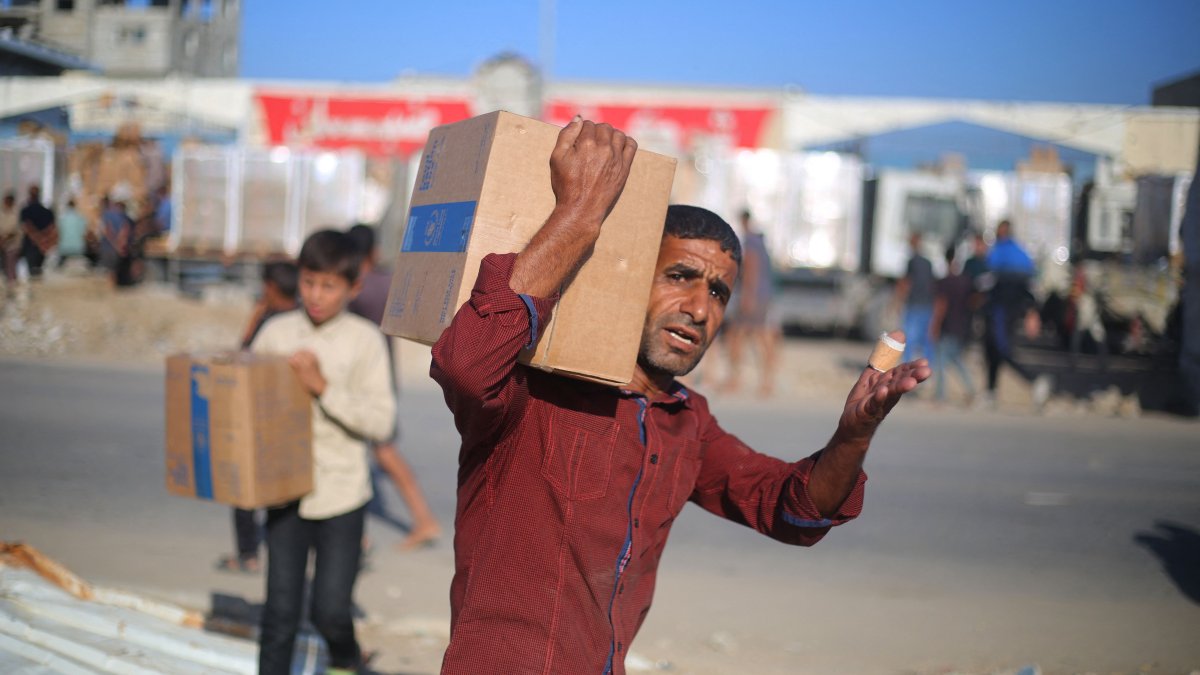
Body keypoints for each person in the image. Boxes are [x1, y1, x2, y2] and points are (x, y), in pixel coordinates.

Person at [430, 117, 929, 674]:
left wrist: (853, 435)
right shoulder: (533, 391)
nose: (700, 308)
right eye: (680, 276)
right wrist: (578, 215)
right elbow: (465, 364)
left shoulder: (685, 421)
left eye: (718, 291)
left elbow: (793, 509)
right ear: (630, 279)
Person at [251, 230, 396, 675]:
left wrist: (322, 388)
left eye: (329, 285)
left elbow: (381, 422)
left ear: (353, 288)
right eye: (309, 281)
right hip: (285, 493)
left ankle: (348, 665)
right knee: (279, 614)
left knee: (331, 611)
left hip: (341, 495)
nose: (315, 295)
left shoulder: (365, 340)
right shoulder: (276, 333)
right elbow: (243, 408)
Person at [345, 223, 442, 551]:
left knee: (381, 451)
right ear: (373, 251)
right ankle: (357, 532)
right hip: (384, 378)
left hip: (361, 383)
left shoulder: (356, 288)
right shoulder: (388, 284)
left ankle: (423, 520)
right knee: (369, 451)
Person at [214, 260, 300, 575]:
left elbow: (245, 351)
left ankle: (248, 554)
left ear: (271, 288)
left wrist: (255, 315)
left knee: (245, 488)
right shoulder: (300, 319)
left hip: (259, 416)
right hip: (287, 418)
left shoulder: (270, 322)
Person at [980, 220, 1052, 410]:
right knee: (993, 350)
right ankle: (990, 392)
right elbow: (1030, 287)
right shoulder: (1021, 254)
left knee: (1001, 349)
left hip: (1000, 310)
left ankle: (1034, 379)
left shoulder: (1000, 252)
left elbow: (987, 279)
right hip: (1009, 310)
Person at [719, 209, 780, 397]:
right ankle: (765, 382)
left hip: (753, 297)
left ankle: (737, 379)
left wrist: (747, 297)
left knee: (738, 337)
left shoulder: (750, 241)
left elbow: (752, 270)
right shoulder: (760, 240)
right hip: (763, 296)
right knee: (761, 338)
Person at [930, 245, 976, 405]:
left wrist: (934, 326)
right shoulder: (966, 281)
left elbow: (940, 306)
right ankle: (970, 388)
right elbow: (972, 303)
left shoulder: (944, 282)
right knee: (955, 359)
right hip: (961, 326)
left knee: (941, 361)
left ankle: (940, 394)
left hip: (948, 326)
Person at [894, 231, 936, 364]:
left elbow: (905, 282)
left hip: (914, 304)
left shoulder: (912, 262)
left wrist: (897, 301)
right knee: (925, 339)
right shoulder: (928, 262)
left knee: (909, 337)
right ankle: (926, 367)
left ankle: (906, 366)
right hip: (927, 303)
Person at [19, 185, 57, 279]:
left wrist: (37, 238)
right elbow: (51, 227)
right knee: (38, 271)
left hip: (32, 244)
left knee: (33, 271)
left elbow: (27, 227)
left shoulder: (25, 211)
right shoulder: (47, 211)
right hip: (42, 245)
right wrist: (42, 240)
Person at [56, 199, 89, 269]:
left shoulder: (62, 219)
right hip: (78, 248)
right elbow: (84, 233)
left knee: (59, 267)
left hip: (64, 248)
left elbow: (58, 233)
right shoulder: (81, 218)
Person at [0, 192, 19, 291]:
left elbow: (14, 230)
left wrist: (4, 238)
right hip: (1, 243)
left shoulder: (15, 214)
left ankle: (11, 285)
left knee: (10, 265)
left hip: (11, 244)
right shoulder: (1, 213)